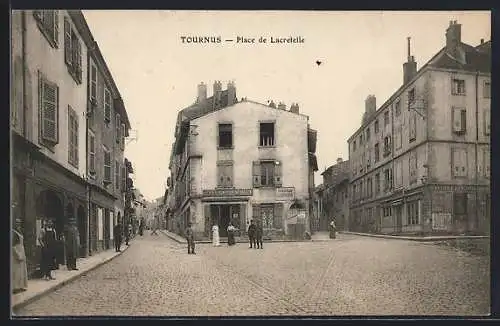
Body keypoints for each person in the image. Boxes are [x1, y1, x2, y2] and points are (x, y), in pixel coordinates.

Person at [12, 225, 28, 293]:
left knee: (22, 271)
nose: (18, 225)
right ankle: (15, 287)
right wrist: (18, 254)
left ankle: (20, 286)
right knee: (16, 271)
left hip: (21, 250)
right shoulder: (13, 232)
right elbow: (12, 245)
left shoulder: (20, 232)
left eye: (19, 223)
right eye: (17, 223)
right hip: (17, 251)